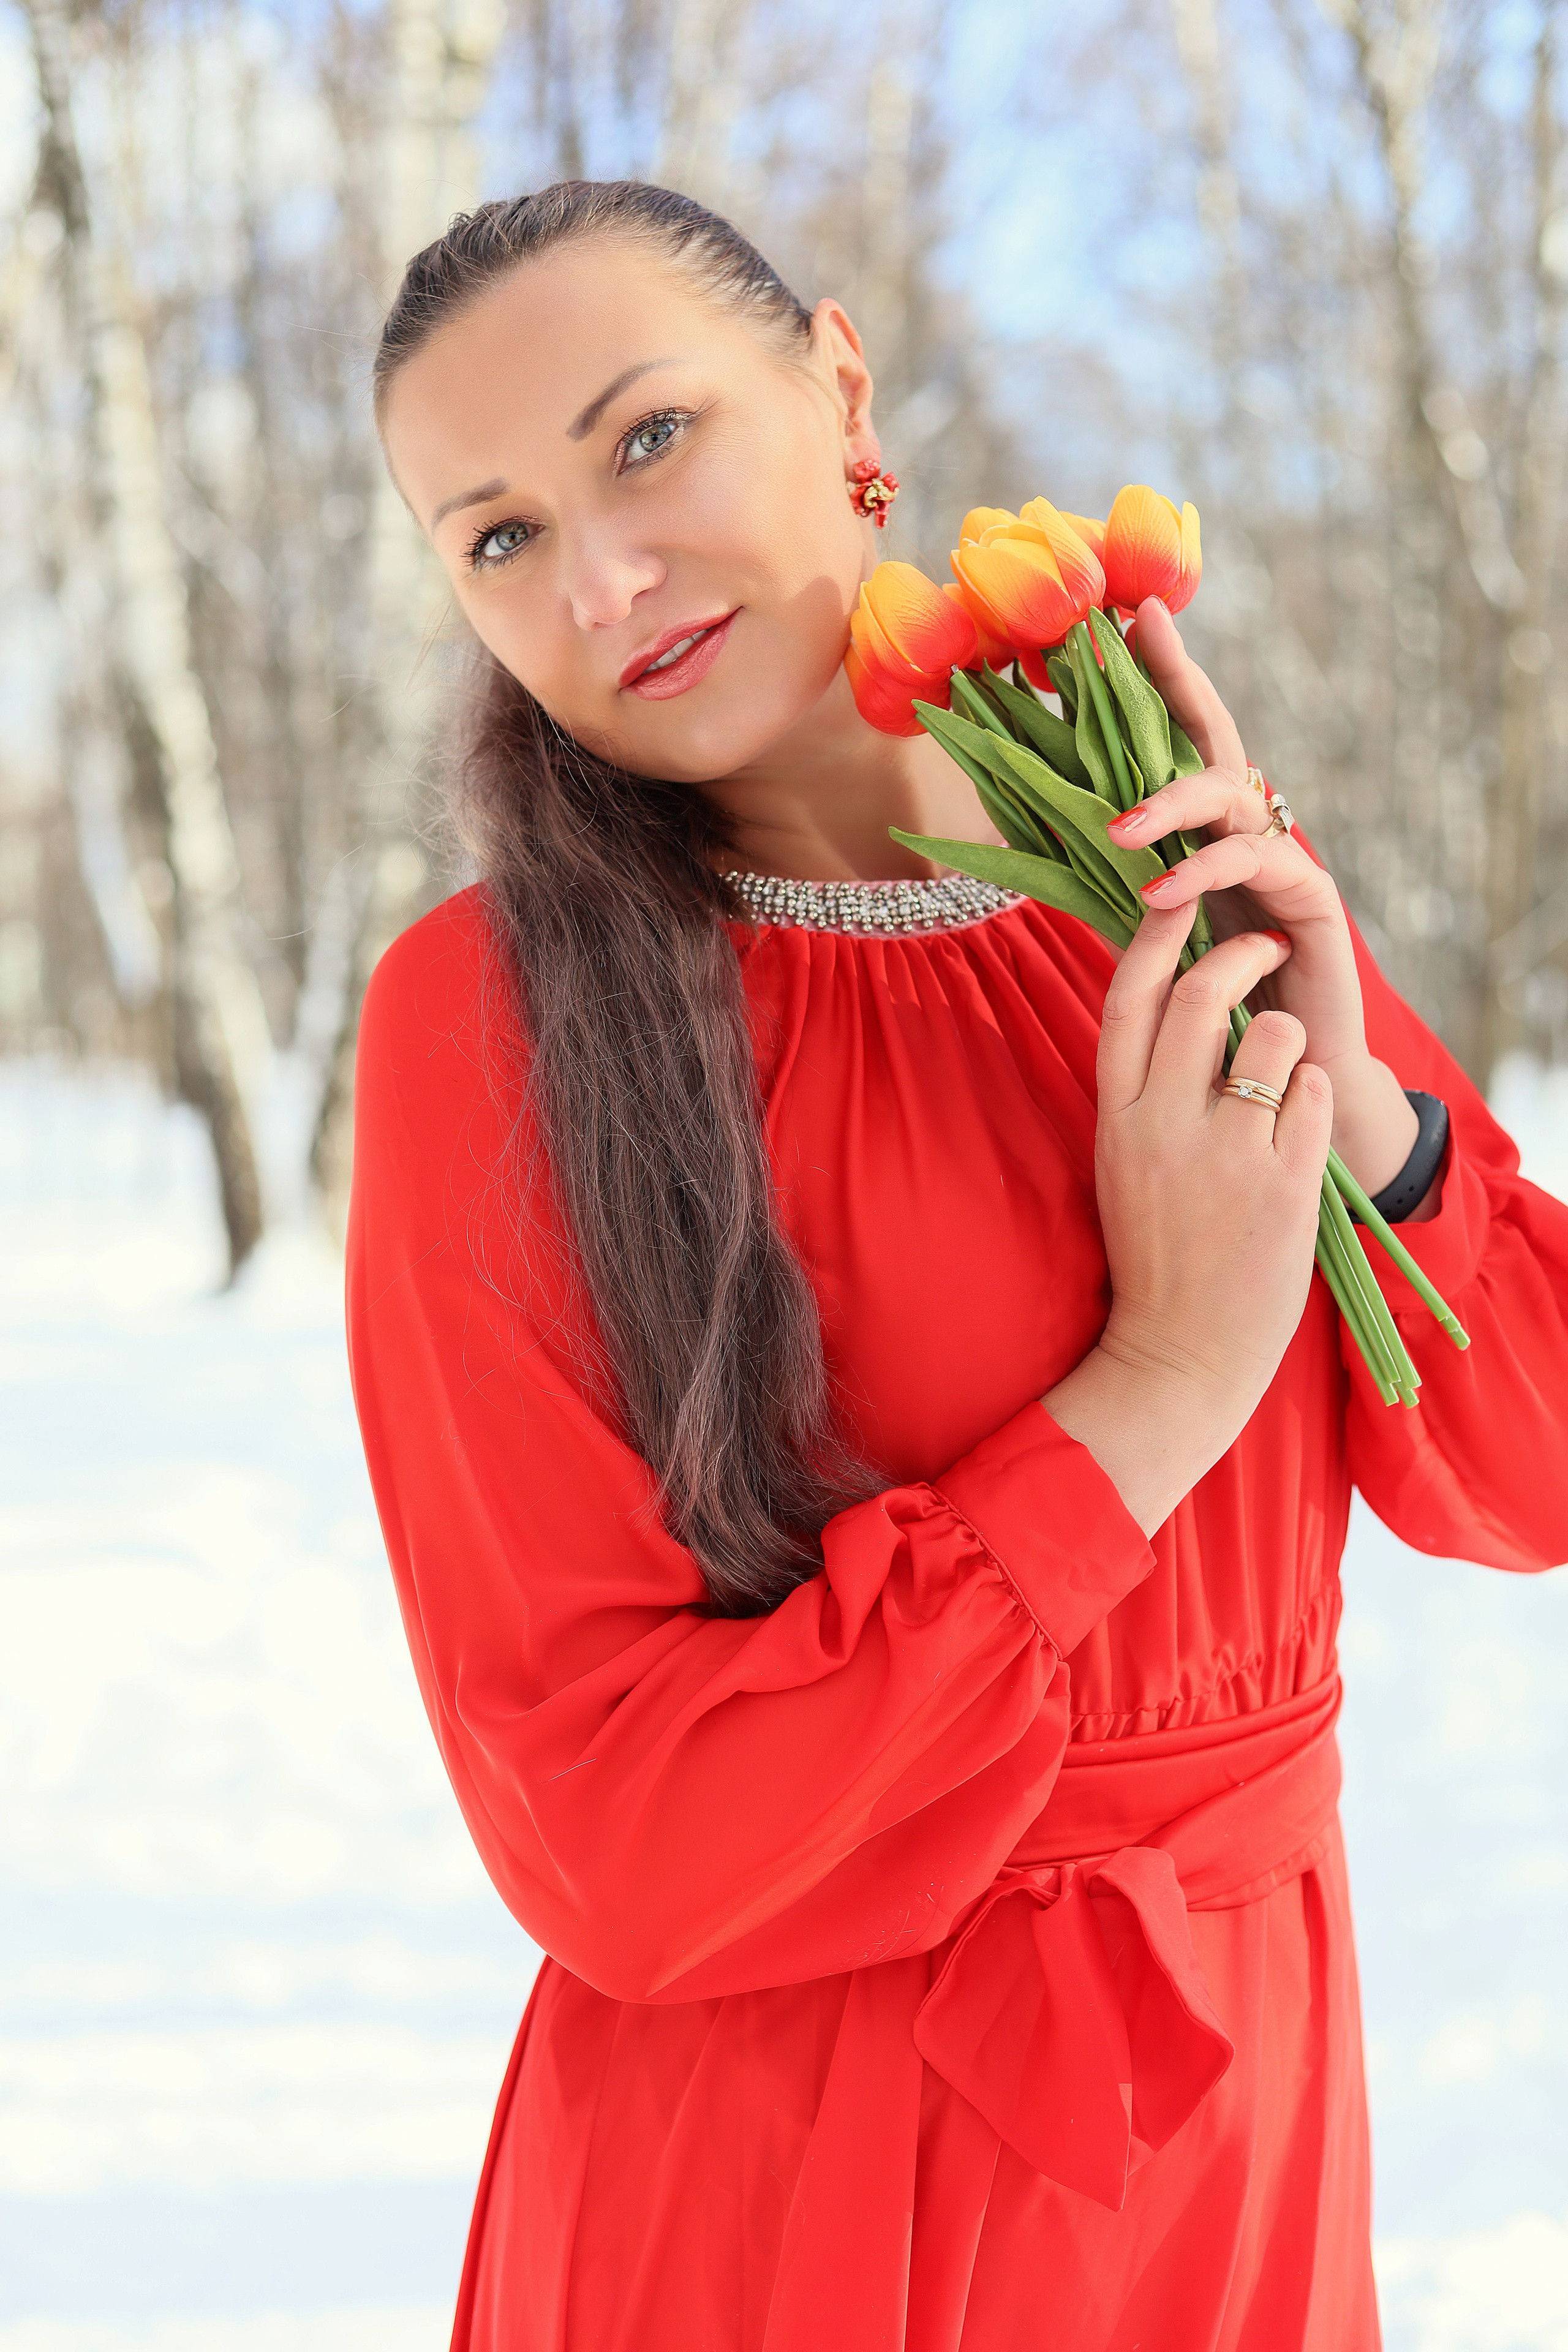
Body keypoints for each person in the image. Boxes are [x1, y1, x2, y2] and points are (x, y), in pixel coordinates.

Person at [346, 180, 1568, 2352]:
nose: (606, 577)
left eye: (648, 439)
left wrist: (1359, 1109)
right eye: (501, 539)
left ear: (836, 380)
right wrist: (1161, 1392)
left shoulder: (1158, 864)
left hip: (1238, 2133)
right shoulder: (492, 1027)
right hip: (788, 2175)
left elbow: (1534, 1467)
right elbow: (612, 1833)